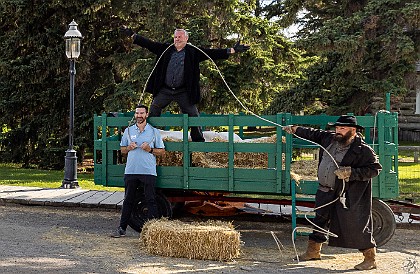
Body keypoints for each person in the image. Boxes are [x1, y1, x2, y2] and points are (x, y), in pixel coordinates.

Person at [283, 115, 382, 270]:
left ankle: (370, 259)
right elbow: (312, 133)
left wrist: (351, 172)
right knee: (320, 220)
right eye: (337, 128)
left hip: (346, 194)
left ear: (353, 130)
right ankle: (313, 252)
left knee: (356, 225)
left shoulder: (363, 150)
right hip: (325, 190)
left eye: (342, 128)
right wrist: (295, 129)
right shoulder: (329, 139)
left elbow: (374, 169)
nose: (338, 131)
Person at [121, 27, 249, 142]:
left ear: (186, 38)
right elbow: (149, 44)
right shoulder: (165, 49)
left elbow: (212, 53)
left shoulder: (194, 52)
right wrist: (133, 35)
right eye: (175, 37)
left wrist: (231, 50)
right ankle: (148, 137)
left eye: (180, 37)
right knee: (154, 109)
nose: (177, 39)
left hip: (183, 91)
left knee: (193, 115)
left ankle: (198, 141)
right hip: (165, 90)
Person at [111, 104, 165, 238]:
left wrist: (150, 150)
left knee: (151, 200)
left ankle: (154, 232)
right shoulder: (129, 131)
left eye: (141, 113)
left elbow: (162, 151)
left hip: (148, 171)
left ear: (146, 115)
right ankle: (121, 229)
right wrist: (129, 147)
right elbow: (122, 149)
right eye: (137, 113)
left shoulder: (154, 132)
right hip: (131, 171)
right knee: (128, 200)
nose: (139, 116)